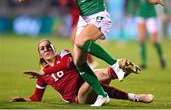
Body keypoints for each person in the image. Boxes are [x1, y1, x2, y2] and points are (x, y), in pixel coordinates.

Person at [16, 0, 163, 106]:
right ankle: (101, 94)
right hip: (83, 20)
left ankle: (115, 65)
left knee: (80, 41)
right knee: (80, 64)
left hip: (99, 17)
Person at [11, 39, 154, 105]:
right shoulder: (42, 75)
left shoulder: (64, 55)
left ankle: (120, 74)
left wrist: (43, 73)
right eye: (42, 48)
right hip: (78, 98)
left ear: (54, 48)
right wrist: (23, 99)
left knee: (94, 76)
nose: (46, 49)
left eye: (48, 46)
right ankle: (122, 73)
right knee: (94, 76)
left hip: (87, 83)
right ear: (40, 55)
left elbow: (67, 64)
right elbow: (36, 97)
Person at [127, 0, 169, 69]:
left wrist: (165, 12)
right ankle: (144, 62)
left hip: (151, 15)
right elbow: (132, 0)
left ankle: (161, 56)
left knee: (153, 41)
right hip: (140, 14)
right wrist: (129, 13)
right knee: (141, 39)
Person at [59, 0, 98, 68]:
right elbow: (62, 2)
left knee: (74, 39)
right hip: (74, 18)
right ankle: (89, 61)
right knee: (79, 41)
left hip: (84, 17)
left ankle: (84, 62)